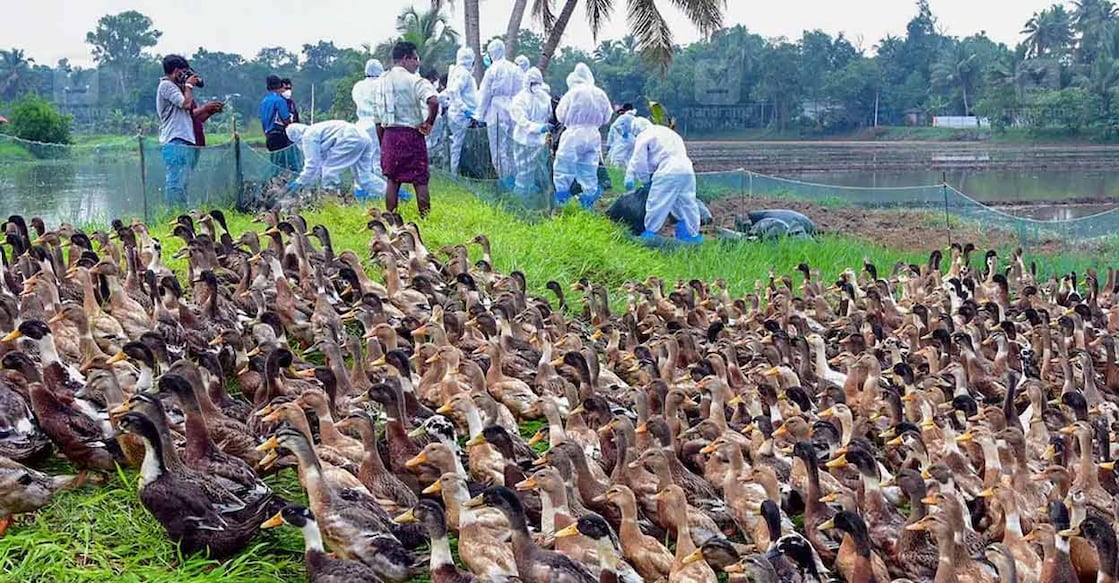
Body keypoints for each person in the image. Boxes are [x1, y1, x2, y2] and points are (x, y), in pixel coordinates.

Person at [372, 41, 440, 217]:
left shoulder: (380, 83)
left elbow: (377, 121)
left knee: (392, 180)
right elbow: (433, 100)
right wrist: (429, 123)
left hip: (389, 135)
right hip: (411, 134)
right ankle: (425, 218)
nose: (417, 63)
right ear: (406, 58)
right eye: (415, 59)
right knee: (420, 180)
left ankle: (391, 219)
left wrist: (383, 145)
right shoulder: (414, 80)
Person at [624, 119, 703, 244]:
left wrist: (644, 180)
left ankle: (649, 235)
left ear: (636, 131)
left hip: (668, 169)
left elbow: (639, 161)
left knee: (657, 202)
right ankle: (691, 236)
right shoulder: (667, 132)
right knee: (686, 202)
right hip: (687, 168)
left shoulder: (644, 135)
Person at [552, 62, 611, 209]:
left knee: (564, 167)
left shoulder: (572, 93)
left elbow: (560, 115)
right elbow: (607, 116)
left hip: (573, 133)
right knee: (589, 169)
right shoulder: (599, 93)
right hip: (593, 135)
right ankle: (588, 205)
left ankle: (562, 203)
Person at [284, 121, 381, 198]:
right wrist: (309, 180)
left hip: (350, 138)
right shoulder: (316, 130)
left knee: (329, 172)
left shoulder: (308, 137)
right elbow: (318, 165)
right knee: (364, 177)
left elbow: (312, 164)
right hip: (364, 136)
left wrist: (300, 181)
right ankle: (390, 193)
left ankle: (331, 202)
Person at [477, 39, 524, 188]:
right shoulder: (515, 69)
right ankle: (518, 182)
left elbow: (485, 94)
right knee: (511, 151)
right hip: (513, 112)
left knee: (498, 152)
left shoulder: (492, 70)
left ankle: (507, 184)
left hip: (496, 112)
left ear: (491, 53)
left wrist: (479, 115)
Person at [155, 54, 200, 208]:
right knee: (175, 179)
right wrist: (188, 86)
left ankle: (182, 211)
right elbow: (186, 104)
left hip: (183, 139)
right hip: (174, 139)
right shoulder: (166, 85)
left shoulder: (175, 87)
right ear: (176, 71)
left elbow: (190, 111)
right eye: (183, 72)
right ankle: (174, 213)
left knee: (183, 180)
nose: (186, 76)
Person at [509, 67, 552, 198]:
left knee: (536, 170)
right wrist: (539, 128)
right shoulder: (520, 99)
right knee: (523, 169)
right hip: (523, 139)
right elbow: (521, 120)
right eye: (533, 83)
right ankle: (519, 197)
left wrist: (547, 126)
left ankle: (531, 195)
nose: (536, 86)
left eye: (538, 83)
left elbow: (549, 113)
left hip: (539, 141)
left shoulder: (544, 97)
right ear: (527, 83)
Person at [351, 59, 388, 198]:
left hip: (360, 125)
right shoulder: (381, 85)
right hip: (375, 124)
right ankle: (380, 192)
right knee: (377, 159)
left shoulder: (358, 86)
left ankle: (360, 190)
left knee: (359, 159)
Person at [442, 47, 479, 175]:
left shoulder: (456, 71)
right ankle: (454, 174)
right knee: (457, 146)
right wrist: (464, 109)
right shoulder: (463, 73)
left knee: (457, 146)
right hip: (461, 116)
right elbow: (453, 91)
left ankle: (457, 171)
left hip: (458, 114)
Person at [260, 75, 298, 172]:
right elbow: (285, 119)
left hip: (269, 136)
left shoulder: (264, 102)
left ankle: (273, 184)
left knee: (275, 163)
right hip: (280, 136)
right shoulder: (279, 101)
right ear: (280, 86)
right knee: (287, 164)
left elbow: (263, 121)